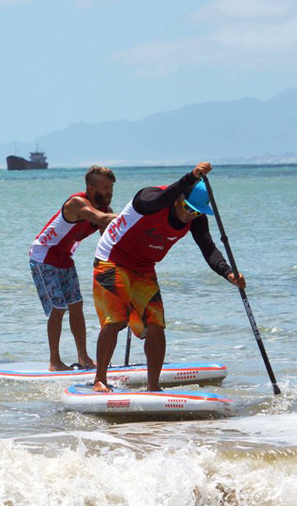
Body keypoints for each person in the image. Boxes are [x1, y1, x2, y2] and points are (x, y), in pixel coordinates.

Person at [91, 163, 245, 392]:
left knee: (156, 324)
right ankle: (100, 380)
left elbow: (209, 248)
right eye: (187, 208)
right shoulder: (149, 199)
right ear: (177, 198)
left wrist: (229, 273)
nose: (188, 215)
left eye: (196, 212)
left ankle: (153, 387)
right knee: (116, 318)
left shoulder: (195, 218)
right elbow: (159, 198)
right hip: (112, 258)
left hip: (144, 267)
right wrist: (191, 176)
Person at [28, 165, 117, 371]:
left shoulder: (106, 211)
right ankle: (54, 361)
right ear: (91, 189)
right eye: (105, 187)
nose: (110, 192)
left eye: (111, 187)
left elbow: (109, 240)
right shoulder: (77, 203)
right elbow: (99, 219)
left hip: (65, 258)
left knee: (77, 305)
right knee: (58, 307)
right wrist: (136, 214)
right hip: (43, 256)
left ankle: (84, 357)